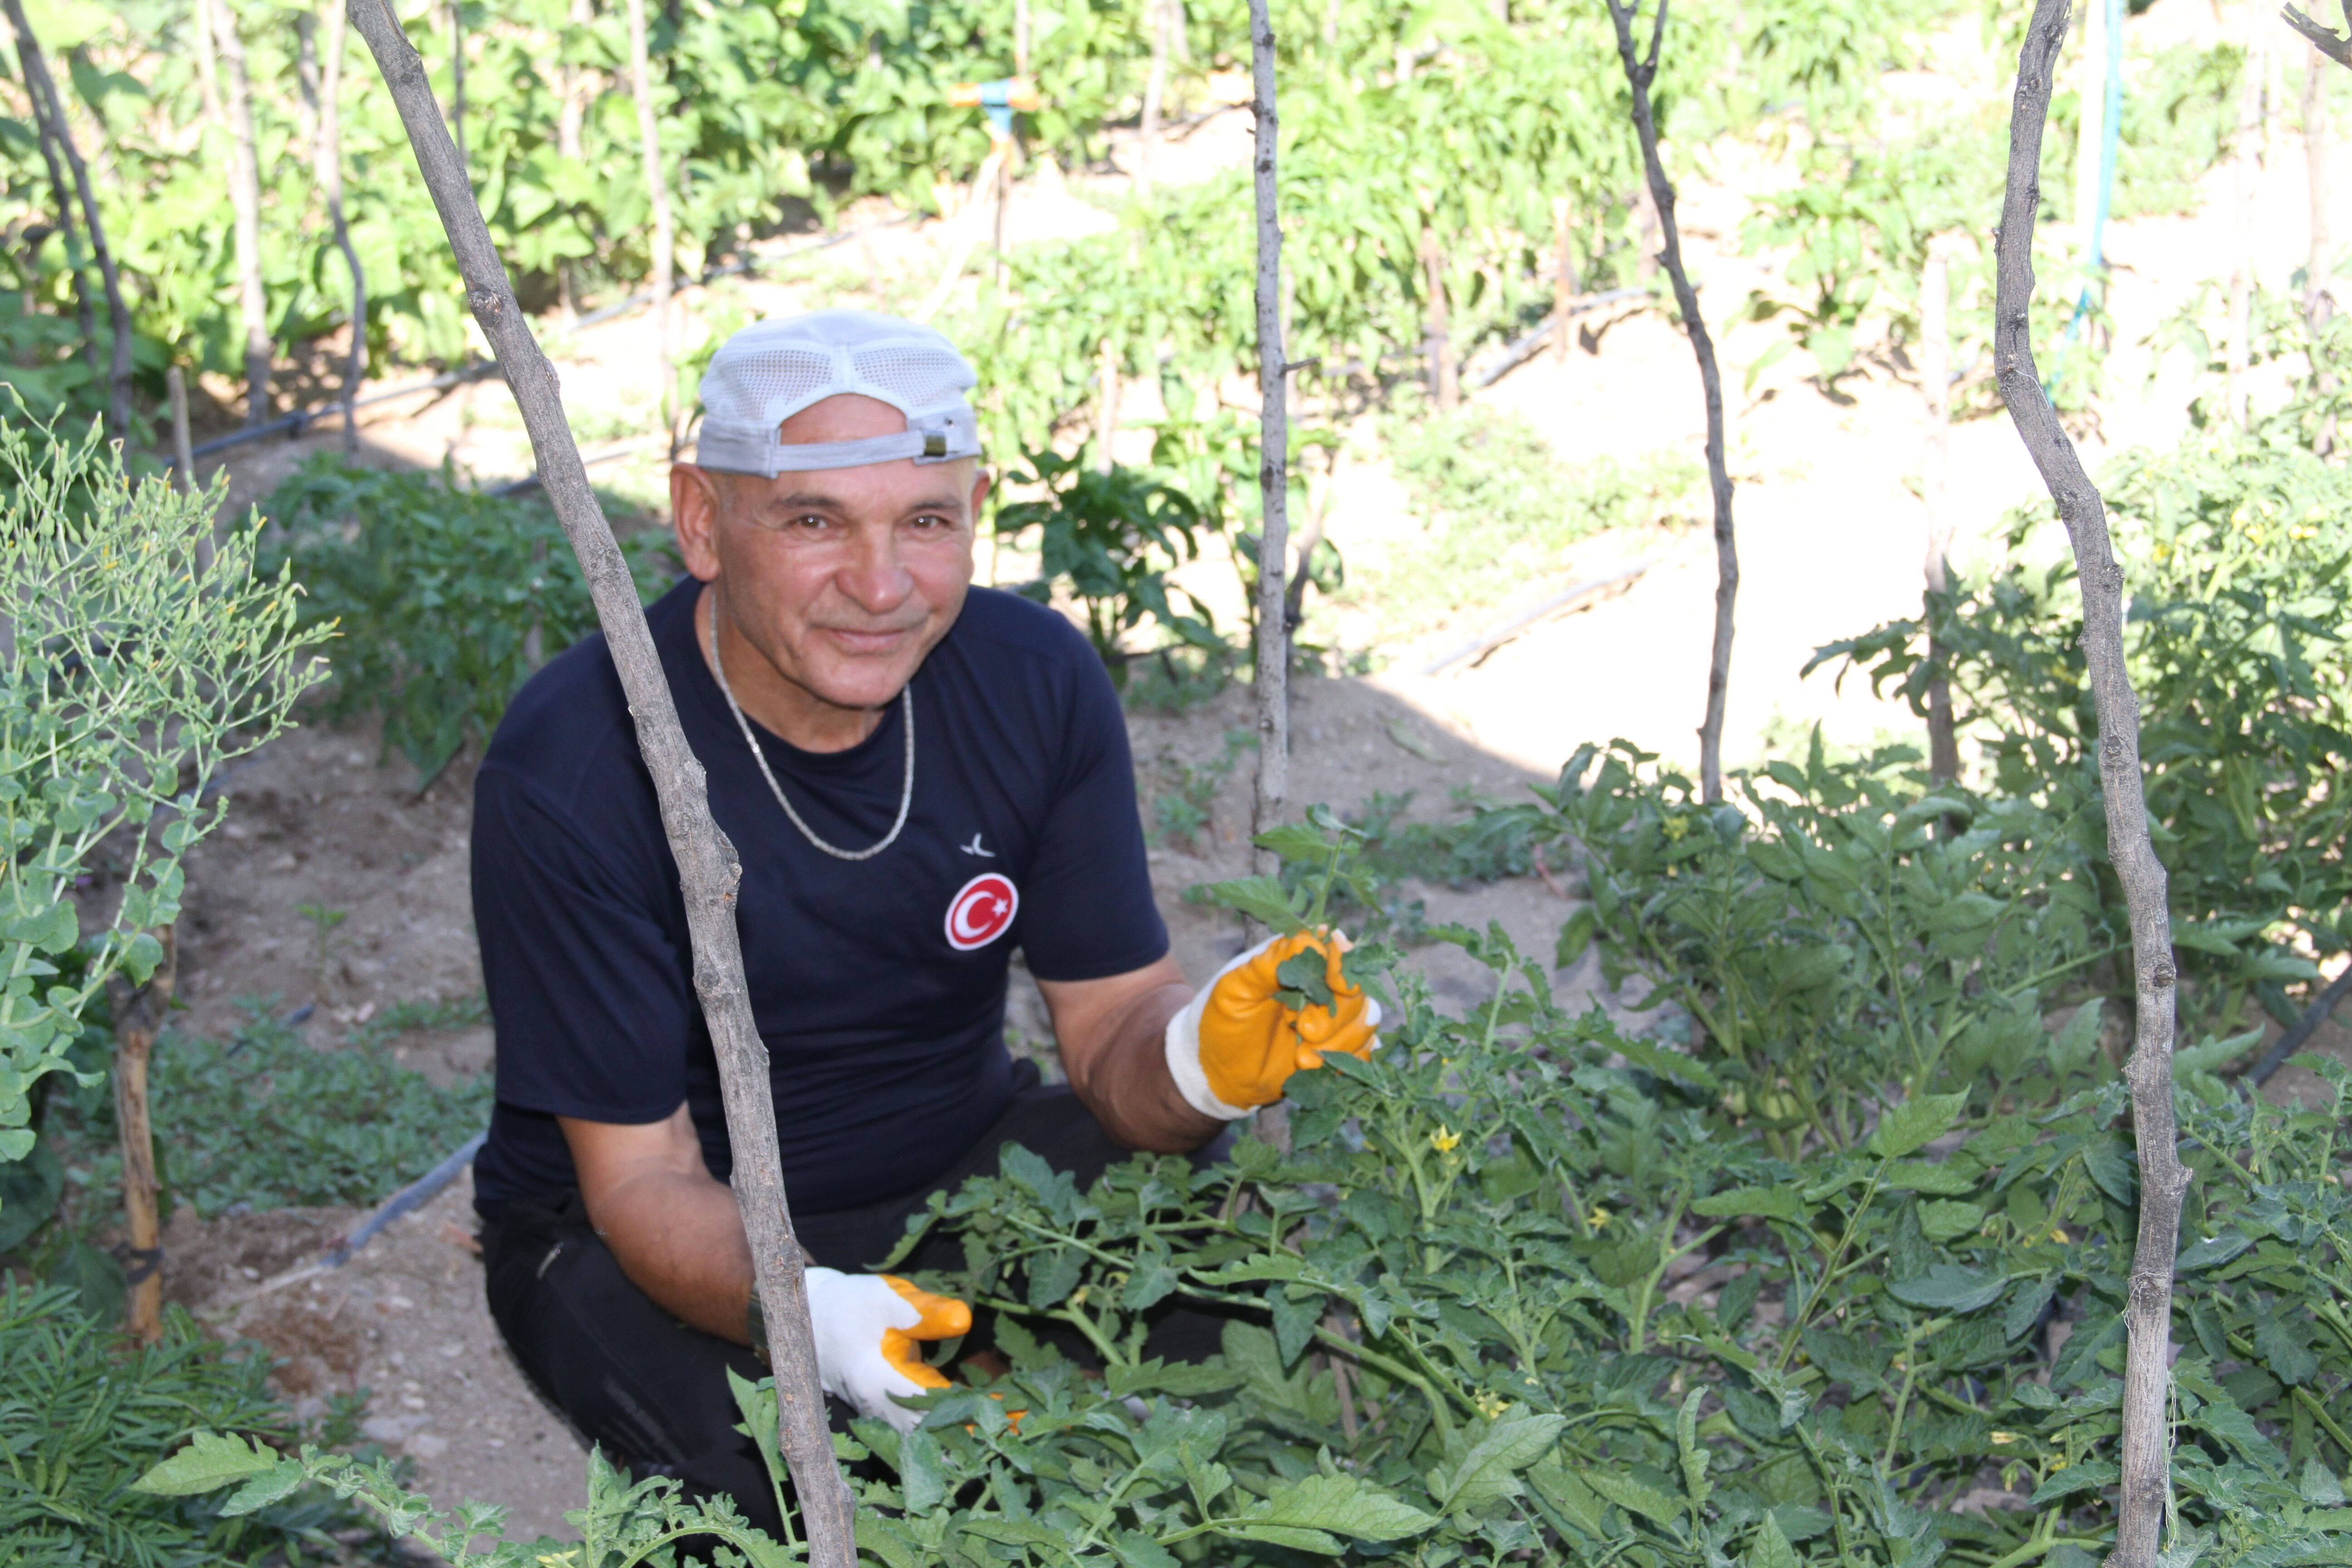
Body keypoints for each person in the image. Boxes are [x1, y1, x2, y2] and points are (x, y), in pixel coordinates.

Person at [466, 309, 1378, 1531]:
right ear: (700, 521)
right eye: (813, 521)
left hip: (957, 1169)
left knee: (1238, 1340)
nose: (881, 585)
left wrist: (1195, 1055)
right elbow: (641, 1180)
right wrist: (822, 1321)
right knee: (802, 1510)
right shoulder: (579, 763)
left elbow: (1108, 1028)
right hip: (640, 1230)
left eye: (926, 522)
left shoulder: (1033, 680)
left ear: (974, 513)